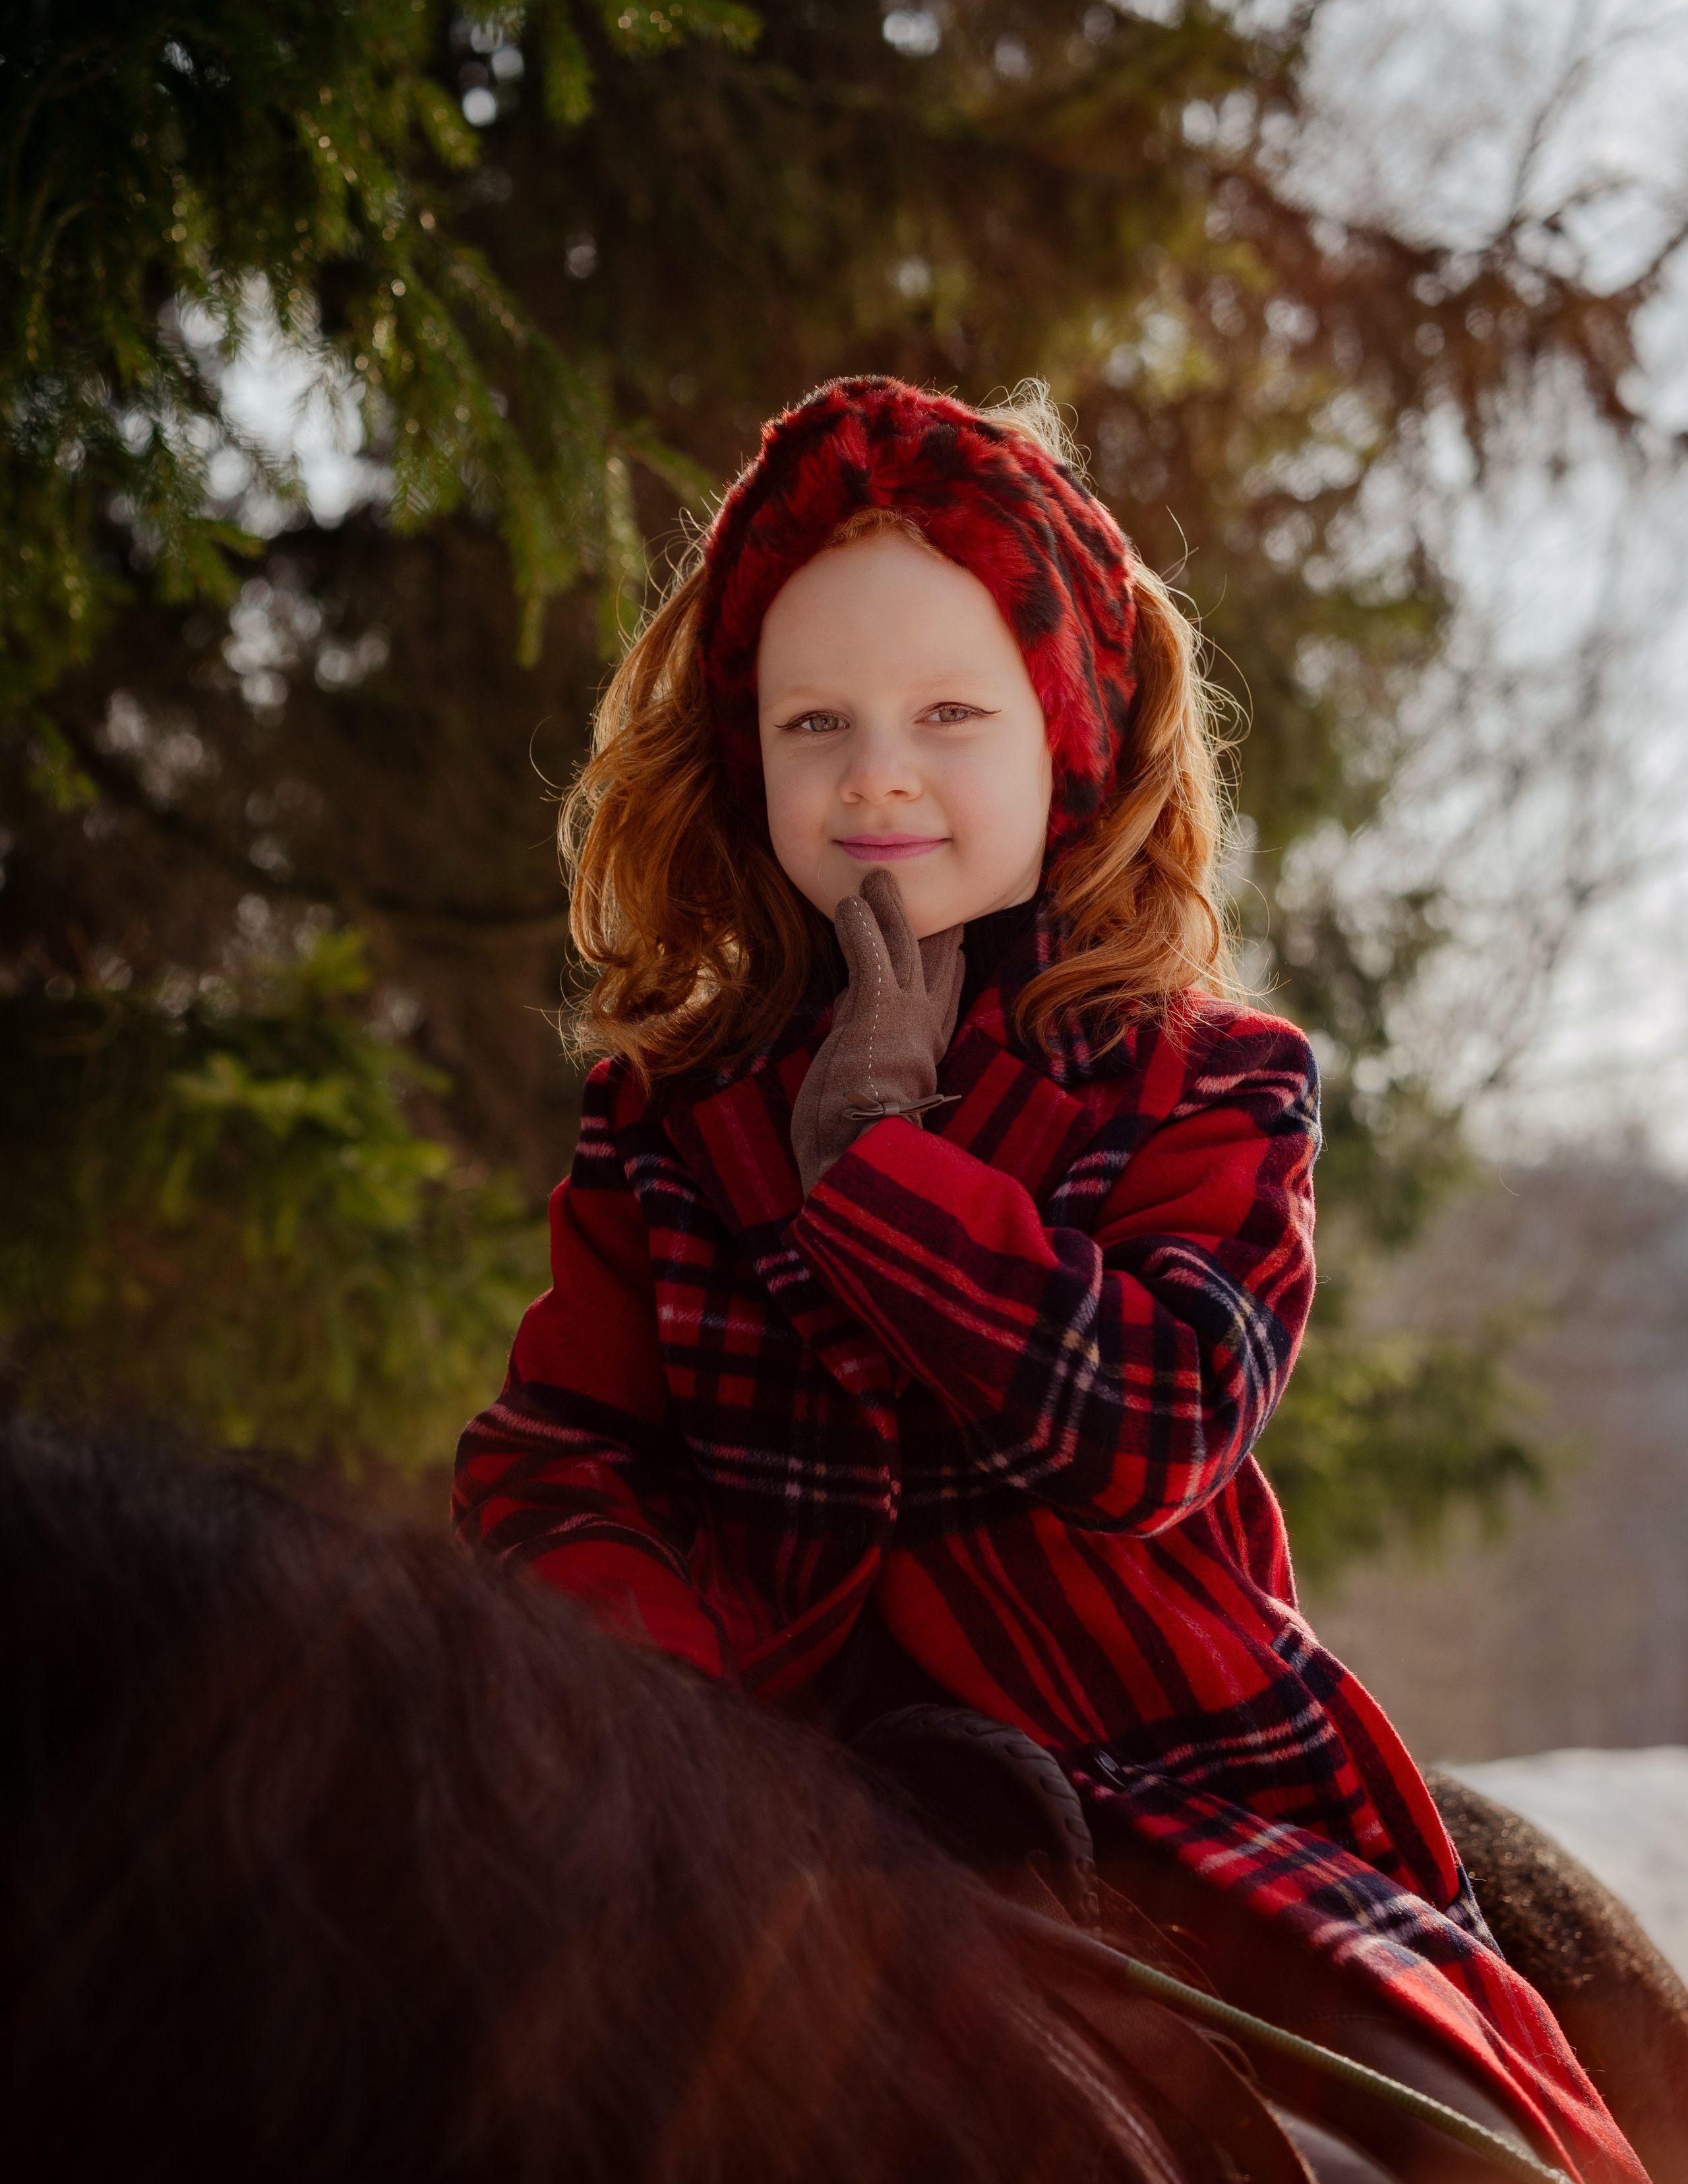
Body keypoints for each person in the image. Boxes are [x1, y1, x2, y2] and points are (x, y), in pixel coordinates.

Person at [454, 376, 1642, 2183]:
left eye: (950, 711)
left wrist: (884, 1175)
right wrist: (672, 1711)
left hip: (1153, 1772)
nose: (879, 772)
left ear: (1069, 739)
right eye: (813, 722)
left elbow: (1161, 1419)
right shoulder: (664, 1119)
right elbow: (562, 1456)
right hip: (760, 1782)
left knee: (1473, 2137)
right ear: (743, 756)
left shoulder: (1212, 1086)